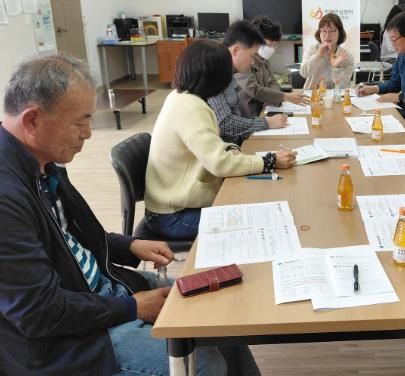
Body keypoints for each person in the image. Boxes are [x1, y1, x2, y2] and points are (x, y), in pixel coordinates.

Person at [0, 55, 260, 375]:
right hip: (68, 342)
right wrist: (133, 307)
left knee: (219, 316)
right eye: (80, 122)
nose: (88, 133)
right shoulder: (7, 198)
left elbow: (71, 240)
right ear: (31, 121)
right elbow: (38, 312)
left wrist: (130, 245)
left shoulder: (42, 163)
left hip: (102, 290)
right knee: (204, 364)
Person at [145, 40, 296, 239]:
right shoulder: (192, 107)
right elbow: (220, 163)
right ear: (216, 76)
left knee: (253, 200)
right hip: (174, 215)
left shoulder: (181, 96)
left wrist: (233, 150)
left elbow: (211, 146)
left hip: (172, 205)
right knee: (257, 220)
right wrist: (270, 160)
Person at [208, 20, 289, 145]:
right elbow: (225, 123)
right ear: (236, 50)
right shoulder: (215, 75)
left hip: (237, 141)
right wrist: (267, 123)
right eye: (251, 55)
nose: (252, 62)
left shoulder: (229, 72)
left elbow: (237, 117)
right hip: (225, 147)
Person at [235, 16, 310, 116]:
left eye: (275, 45)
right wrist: (285, 96)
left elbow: (273, 82)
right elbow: (255, 90)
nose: (272, 49)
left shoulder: (264, 60)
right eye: (269, 44)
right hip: (249, 115)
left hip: (266, 108)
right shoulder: (243, 60)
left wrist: (273, 98)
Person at [300, 13, 354, 89]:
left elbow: (343, 86)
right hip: (313, 94)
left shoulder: (346, 56)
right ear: (319, 33)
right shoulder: (312, 49)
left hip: (336, 95)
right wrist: (318, 55)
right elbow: (304, 73)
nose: (328, 35)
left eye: (332, 31)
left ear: (340, 33)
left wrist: (335, 68)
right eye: (324, 31)